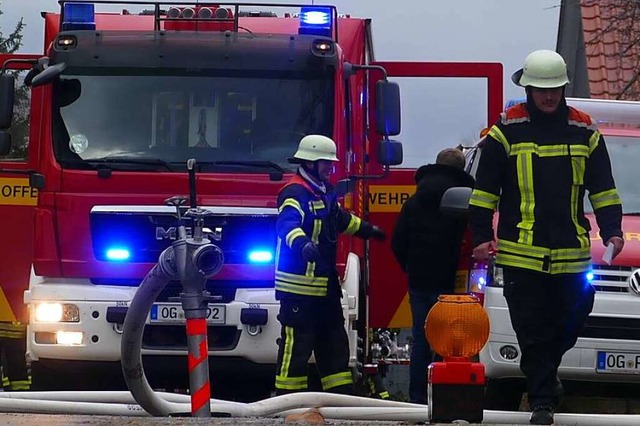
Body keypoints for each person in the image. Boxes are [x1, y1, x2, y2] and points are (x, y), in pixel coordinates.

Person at [468, 49, 624, 425]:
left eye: (555, 89)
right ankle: (542, 402)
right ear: (529, 89)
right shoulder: (505, 132)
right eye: (542, 90)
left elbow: (603, 189)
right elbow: (484, 193)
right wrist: (479, 236)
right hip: (521, 254)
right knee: (532, 330)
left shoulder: (585, 130)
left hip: (572, 252)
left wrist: (613, 231)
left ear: (563, 88)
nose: (549, 97)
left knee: (571, 321)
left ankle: (545, 375)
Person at [273, 134, 385, 395]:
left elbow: (341, 219)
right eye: (325, 163)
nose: (330, 168)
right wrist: (302, 244)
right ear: (310, 163)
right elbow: (286, 225)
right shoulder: (295, 192)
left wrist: (368, 230)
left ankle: (339, 398)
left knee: (334, 341)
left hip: (325, 287)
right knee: (297, 345)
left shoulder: (323, 193)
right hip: (299, 289)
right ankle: (287, 399)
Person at [391, 147, 475, 404]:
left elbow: (397, 241)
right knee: (448, 341)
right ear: (460, 170)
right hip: (448, 280)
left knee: (420, 338)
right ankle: (442, 397)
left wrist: (410, 266)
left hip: (418, 278)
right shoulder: (464, 198)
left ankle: (416, 398)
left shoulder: (414, 200)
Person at [0, 321, 31, 391]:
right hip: (17, 331)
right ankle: (20, 391)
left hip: (17, 332)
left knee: (16, 363)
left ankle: (20, 391)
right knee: (16, 363)